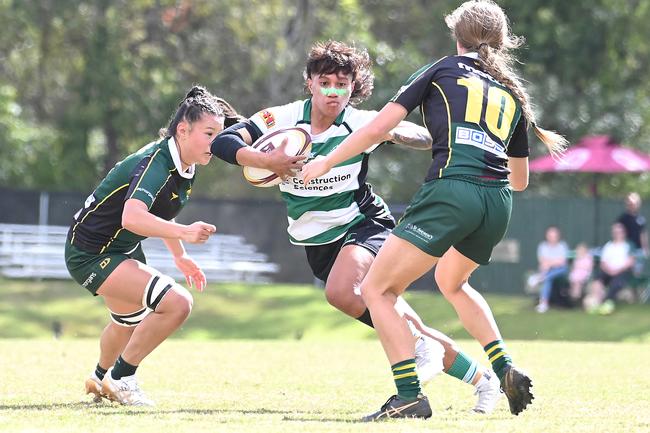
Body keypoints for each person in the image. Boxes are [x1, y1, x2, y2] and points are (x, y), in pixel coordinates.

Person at [302, 0, 567, 420]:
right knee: (452, 281)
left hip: (452, 191)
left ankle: (408, 395)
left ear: (456, 35)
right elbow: (520, 181)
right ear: (498, 41)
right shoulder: (510, 93)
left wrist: (326, 160)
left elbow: (378, 127)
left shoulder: (442, 69)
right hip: (498, 202)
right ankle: (503, 367)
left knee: (376, 290)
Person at [211, 40, 502, 413]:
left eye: (343, 84)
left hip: (364, 225)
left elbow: (423, 137)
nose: (334, 91)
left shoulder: (361, 123)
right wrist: (268, 161)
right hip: (316, 239)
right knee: (407, 326)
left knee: (341, 292)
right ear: (310, 83)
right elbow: (224, 141)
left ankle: (413, 386)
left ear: (353, 87)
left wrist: (393, 132)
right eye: (326, 82)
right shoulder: (281, 119)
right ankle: (482, 379)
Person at [65, 86, 297, 406]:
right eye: (209, 133)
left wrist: (180, 255)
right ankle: (121, 378)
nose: (216, 143)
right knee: (177, 303)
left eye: (220, 134)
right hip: (91, 253)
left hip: (118, 249)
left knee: (128, 323)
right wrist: (186, 233)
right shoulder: (156, 163)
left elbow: (159, 212)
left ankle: (100, 376)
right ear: (183, 130)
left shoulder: (185, 163)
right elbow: (132, 217)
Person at [584, 223, 635, 314]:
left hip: (622, 271)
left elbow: (630, 262)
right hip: (608, 270)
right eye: (615, 232)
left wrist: (617, 270)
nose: (617, 234)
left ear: (624, 233)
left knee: (616, 283)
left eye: (619, 232)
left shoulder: (629, 245)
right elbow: (603, 263)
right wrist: (609, 270)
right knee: (597, 280)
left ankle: (608, 303)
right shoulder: (608, 245)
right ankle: (596, 302)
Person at [534, 226, 569, 313]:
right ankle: (544, 304)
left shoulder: (562, 246)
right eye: (550, 236)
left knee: (547, 276)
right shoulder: (542, 246)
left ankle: (540, 278)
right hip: (548, 271)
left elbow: (562, 262)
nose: (552, 238)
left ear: (558, 237)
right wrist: (553, 262)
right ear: (547, 236)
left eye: (554, 236)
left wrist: (549, 263)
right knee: (548, 278)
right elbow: (542, 261)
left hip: (561, 271)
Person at [617, 192, 648, 273]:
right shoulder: (623, 218)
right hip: (626, 250)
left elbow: (643, 235)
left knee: (637, 273)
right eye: (630, 203)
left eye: (634, 203)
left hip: (638, 251)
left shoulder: (641, 219)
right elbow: (618, 233)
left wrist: (645, 249)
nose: (632, 205)